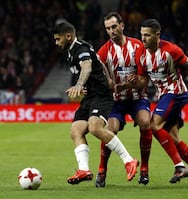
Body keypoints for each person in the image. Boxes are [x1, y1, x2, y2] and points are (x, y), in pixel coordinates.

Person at [130, 19, 188, 188]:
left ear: (157, 35)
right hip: (163, 96)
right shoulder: (141, 53)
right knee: (174, 138)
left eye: (147, 35)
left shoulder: (171, 50)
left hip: (176, 93)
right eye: (142, 35)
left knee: (153, 125)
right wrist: (131, 83)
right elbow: (143, 81)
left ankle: (179, 166)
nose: (143, 39)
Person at [52, 21, 139, 185]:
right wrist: (108, 78)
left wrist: (79, 84)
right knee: (76, 130)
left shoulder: (81, 49)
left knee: (94, 128)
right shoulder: (72, 52)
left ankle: (129, 160)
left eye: (58, 39)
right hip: (90, 96)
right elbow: (98, 61)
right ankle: (84, 169)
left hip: (101, 95)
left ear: (68, 36)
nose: (57, 43)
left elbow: (87, 67)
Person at [95, 12, 153, 187]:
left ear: (122, 26)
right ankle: (101, 171)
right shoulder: (104, 51)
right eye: (107, 29)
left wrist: (136, 80)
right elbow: (100, 80)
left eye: (114, 27)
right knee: (109, 129)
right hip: (115, 101)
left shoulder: (138, 46)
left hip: (137, 98)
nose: (111, 31)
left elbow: (146, 77)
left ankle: (144, 169)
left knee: (145, 122)